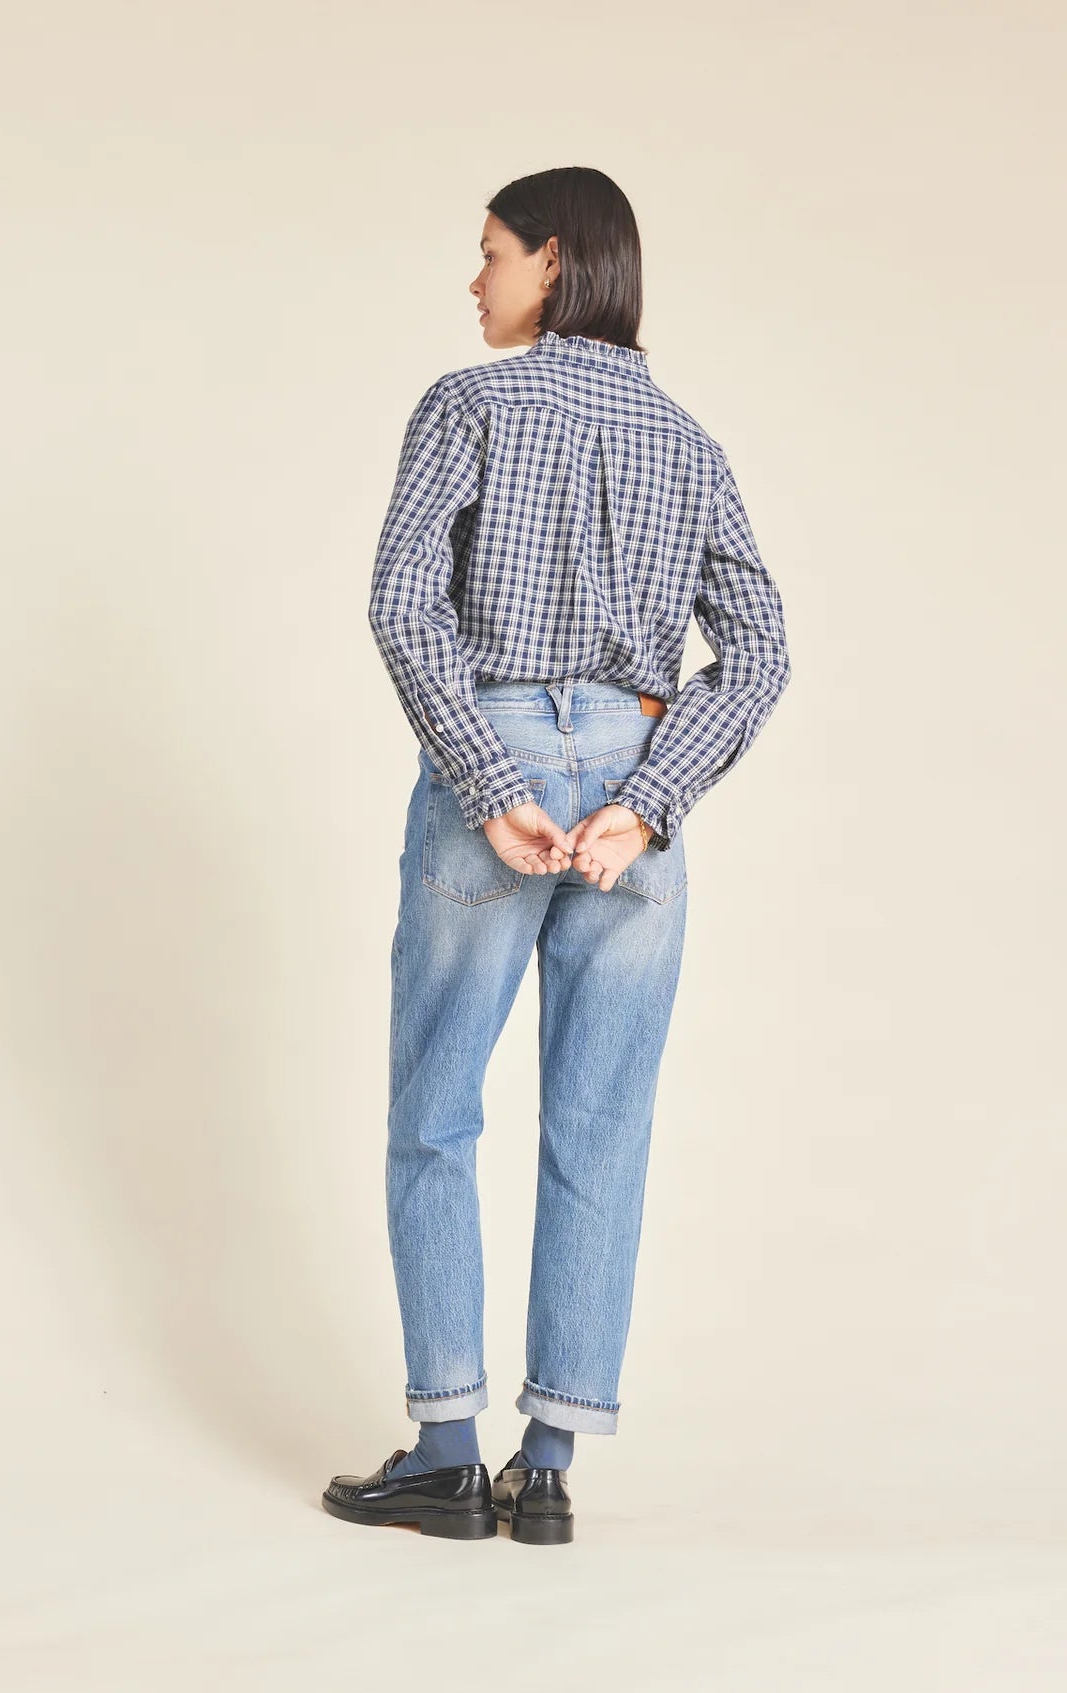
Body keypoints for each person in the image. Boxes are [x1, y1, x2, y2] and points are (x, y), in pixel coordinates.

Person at [322, 166, 792, 1545]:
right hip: (638, 768)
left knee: (436, 1110)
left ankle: (444, 1457)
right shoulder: (690, 443)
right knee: (602, 1125)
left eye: (490, 252)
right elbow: (760, 649)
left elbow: (403, 605)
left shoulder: (467, 405)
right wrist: (650, 799)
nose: (474, 279)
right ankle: (547, 1471)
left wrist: (489, 780)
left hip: (504, 747)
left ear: (556, 261)